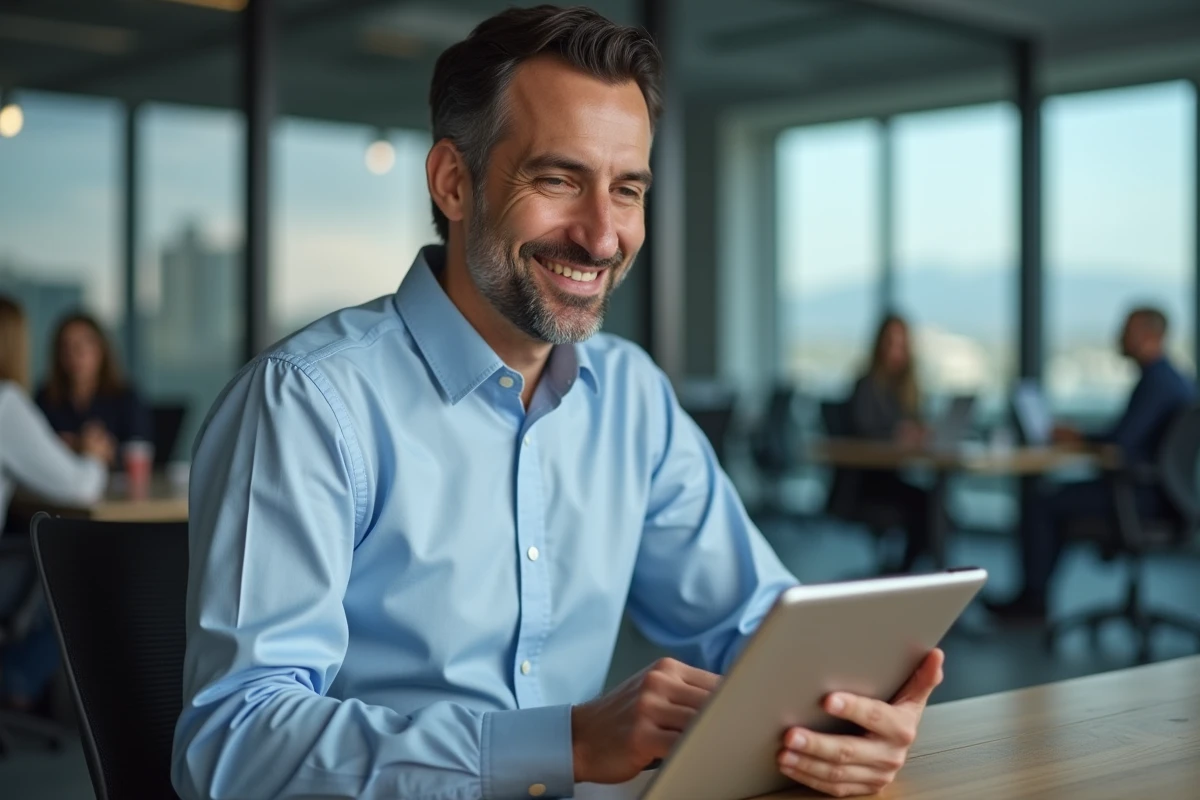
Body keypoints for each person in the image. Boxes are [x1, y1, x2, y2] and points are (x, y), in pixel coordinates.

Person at [172, 8, 944, 800]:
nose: (603, 237)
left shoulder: (631, 397)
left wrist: (853, 710)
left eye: (628, 189)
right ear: (453, 182)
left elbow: (759, 625)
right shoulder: (309, 402)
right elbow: (233, 744)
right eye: (558, 179)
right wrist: (562, 743)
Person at [986, 307, 1197, 621]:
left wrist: (1077, 437)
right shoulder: (1177, 379)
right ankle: (1034, 597)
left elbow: (1121, 442)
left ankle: (1032, 602)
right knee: (1054, 499)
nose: (1119, 337)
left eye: (1128, 330)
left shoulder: (1156, 382)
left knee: (1042, 503)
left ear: (1151, 336)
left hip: (1142, 498)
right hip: (1167, 497)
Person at [0, 296, 110, 710]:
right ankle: (17, 680)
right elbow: (81, 488)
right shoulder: (7, 402)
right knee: (82, 574)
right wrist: (95, 457)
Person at [844, 314, 933, 571]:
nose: (896, 350)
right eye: (890, 342)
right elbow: (862, 430)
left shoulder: (907, 387)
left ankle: (908, 574)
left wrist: (919, 433)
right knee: (927, 507)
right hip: (868, 482)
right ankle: (905, 575)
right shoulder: (866, 385)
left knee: (937, 508)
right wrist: (896, 435)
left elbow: (915, 423)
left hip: (896, 476)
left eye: (901, 343)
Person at [36, 311, 150, 466]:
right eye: (67, 347)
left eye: (83, 345)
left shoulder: (125, 396)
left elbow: (140, 449)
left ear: (101, 350)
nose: (76, 354)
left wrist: (107, 451)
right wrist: (80, 445)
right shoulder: (45, 397)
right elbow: (34, 451)